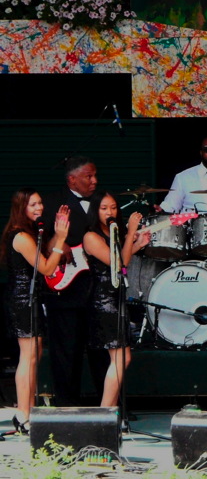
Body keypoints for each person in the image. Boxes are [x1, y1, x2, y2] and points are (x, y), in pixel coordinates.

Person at [0, 189, 70, 433]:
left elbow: (45, 255)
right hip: (24, 300)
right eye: (33, 204)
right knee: (28, 358)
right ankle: (23, 414)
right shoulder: (21, 237)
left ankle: (27, 411)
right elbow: (47, 268)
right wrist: (61, 239)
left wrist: (59, 232)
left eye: (40, 203)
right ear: (22, 207)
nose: (39, 207)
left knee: (33, 356)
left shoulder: (29, 233)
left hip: (31, 298)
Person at [40, 155, 108, 406]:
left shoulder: (103, 201)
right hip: (66, 288)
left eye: (95, 175)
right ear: (72, 179)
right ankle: (66, 406)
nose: (94, 181)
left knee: (102, 349)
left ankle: (108, 404)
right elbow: (38, 236)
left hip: (99, 287)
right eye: (88, 176)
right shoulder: (52, 202)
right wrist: (54, 243)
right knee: (66, 350)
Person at [83, 192, 150, 407]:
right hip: (103, 299)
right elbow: (118, 263)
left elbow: (123, 259)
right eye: (104, 208)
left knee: (120, 358)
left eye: (113, 207)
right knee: (121, 358)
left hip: (116, 296)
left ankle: (109, 411)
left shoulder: (111, 233)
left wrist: (137, 244)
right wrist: (131, 232)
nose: (110, 212)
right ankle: (106, 411)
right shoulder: (91, 236)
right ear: (95, 211)